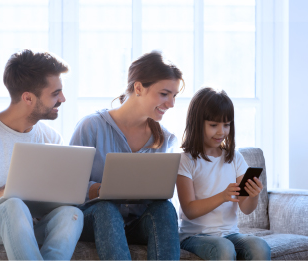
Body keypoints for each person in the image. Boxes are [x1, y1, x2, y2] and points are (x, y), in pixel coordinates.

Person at [0, 49, 83, 260]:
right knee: (12, 206)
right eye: (55, 93)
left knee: (71, 215)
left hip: (26, 228)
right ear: (28, 98)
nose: (63, 99)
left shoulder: (51, 138)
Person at [70, 51, 182, 260]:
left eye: (174, 96)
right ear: (138, 88)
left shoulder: (164, 139)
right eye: (165, 94)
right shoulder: (91, 127)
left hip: (138, 223)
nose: (171, 104)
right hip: (95, 219)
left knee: (165, 209)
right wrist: (99, 190)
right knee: (106, 209)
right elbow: (69, 187)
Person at [176, 87, 271, 260]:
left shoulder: (234, 158)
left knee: (260, 246)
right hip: (194, 237)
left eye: (226, 125)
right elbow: (189, 210)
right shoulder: (186, 160)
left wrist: (254, 195)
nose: (221, 132)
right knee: (224, 248)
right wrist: (222, 196)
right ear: (197, 123)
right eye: (214, 125)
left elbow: (246, 208)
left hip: (230, 234)